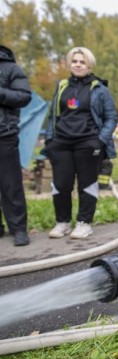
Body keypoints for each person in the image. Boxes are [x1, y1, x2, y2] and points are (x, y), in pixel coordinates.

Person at [44, 47, 117, 239]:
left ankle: (84, 223)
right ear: (69, 64)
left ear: (89, 65)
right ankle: (63, 222)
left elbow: (111, 118)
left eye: (82, 61)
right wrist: (50, 140)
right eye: (74, 61)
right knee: (60, 185)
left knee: (87, 185)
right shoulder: (62, 86)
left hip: (88, 144)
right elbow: (52, 115)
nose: (78, 64)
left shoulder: (100, 88)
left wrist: (99, 141)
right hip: (61, 144)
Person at [0, 44, 32, 246]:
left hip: (4, 133)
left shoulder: (11, 68)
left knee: (11, 184)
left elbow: (24, 96)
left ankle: (18, 229)